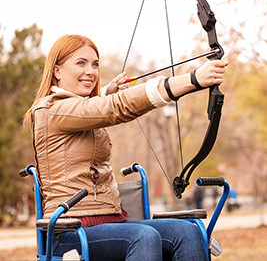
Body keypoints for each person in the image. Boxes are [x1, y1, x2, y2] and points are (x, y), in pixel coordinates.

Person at [24, 34, 228, 261]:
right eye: (80, 63)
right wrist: (192, 79)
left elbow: (92, 108)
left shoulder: (76, 108)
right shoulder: (50, 109)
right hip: (69, 232)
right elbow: (112, 109)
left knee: (188, 232)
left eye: (95, 64)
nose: (91, 71)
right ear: (57, 70)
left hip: (112, 223)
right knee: (144, 236)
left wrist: (104, 94)